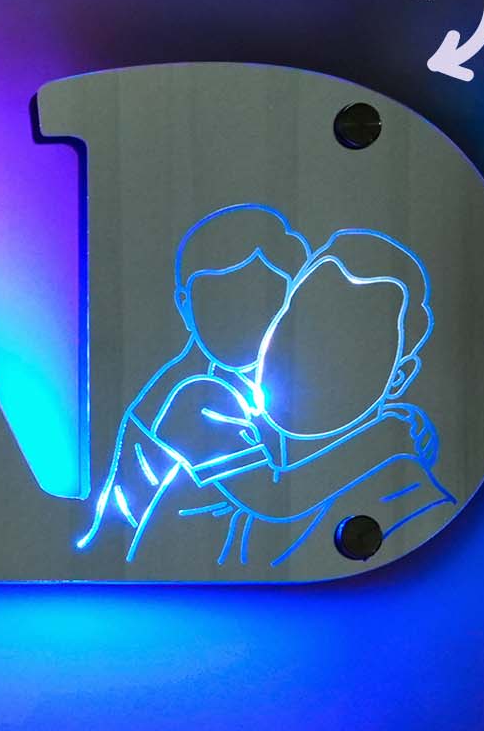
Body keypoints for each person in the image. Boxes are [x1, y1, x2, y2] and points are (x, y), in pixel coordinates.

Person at [201, 229, 455, 566]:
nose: (311, 356)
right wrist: (385, 439)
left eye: (355, 347)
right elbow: (273, 495)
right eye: (299, 323)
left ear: (398, 377)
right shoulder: (219, 411)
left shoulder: (410, 501)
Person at [77, 204, 310, 560]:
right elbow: (275, 499)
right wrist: (389, 444)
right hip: (150, 567)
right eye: (219, 302)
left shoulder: (256, 388)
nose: (240, 321)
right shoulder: (196, 395)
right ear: (184, 305)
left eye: (261, 301)